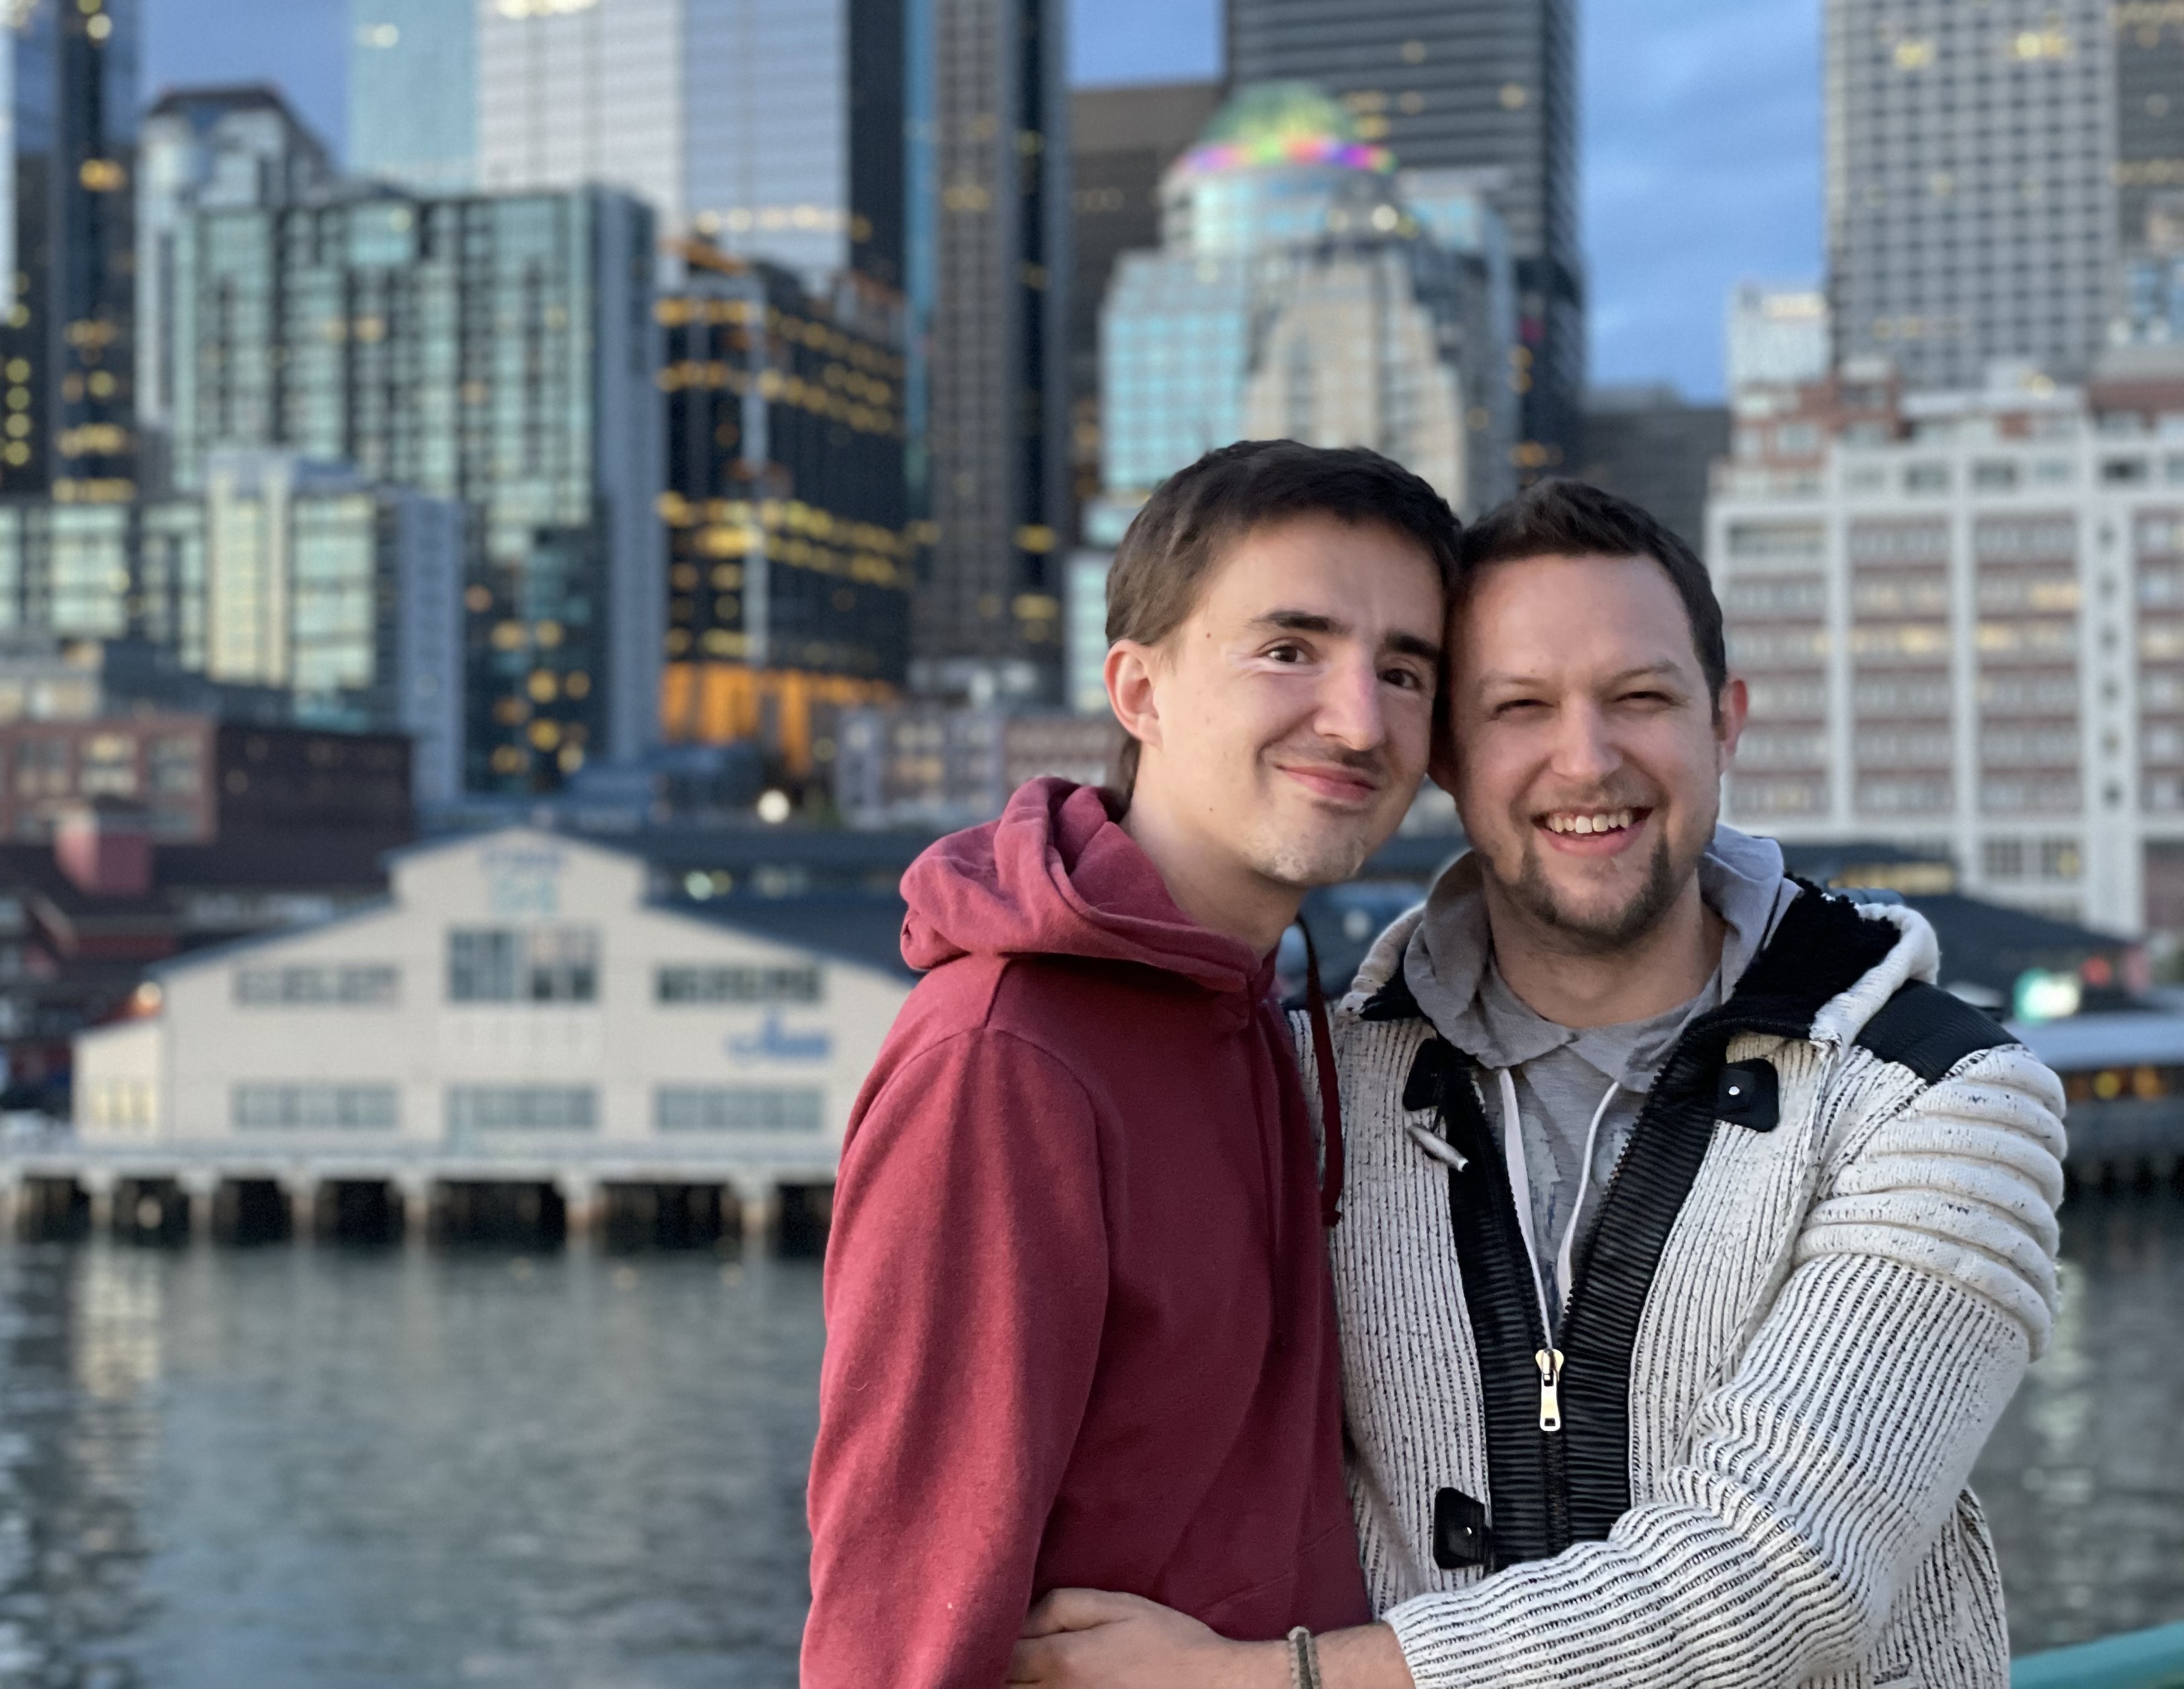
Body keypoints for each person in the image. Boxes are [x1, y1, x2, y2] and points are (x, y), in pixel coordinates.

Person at [1009, 480, 2065, 1689]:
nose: (1587, 759)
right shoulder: (1317, 1081)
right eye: (1520, 708)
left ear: (1725, 721)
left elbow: (1786, 1577)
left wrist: (1270, 1682)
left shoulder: (1941, 1093)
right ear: (1447, 755)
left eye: (1641, 699)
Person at [801, 441, 1463, 1689]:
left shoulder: (1264, 1001)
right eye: (1289, 648)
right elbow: (900, 1614)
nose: (1360, 718)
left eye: (1405, 670)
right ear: (1138, 689)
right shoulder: (1004, 1061)